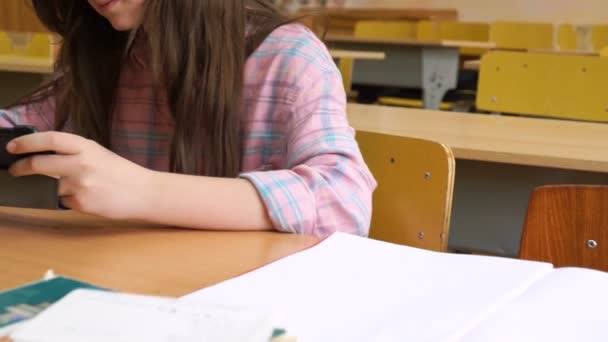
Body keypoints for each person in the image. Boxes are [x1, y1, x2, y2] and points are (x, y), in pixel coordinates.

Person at [0, 0, 376, 237]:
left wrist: (144, 191)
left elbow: (343, 202)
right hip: (129, 291)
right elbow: (16, 124)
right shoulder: (108, 55)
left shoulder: (287, 57)